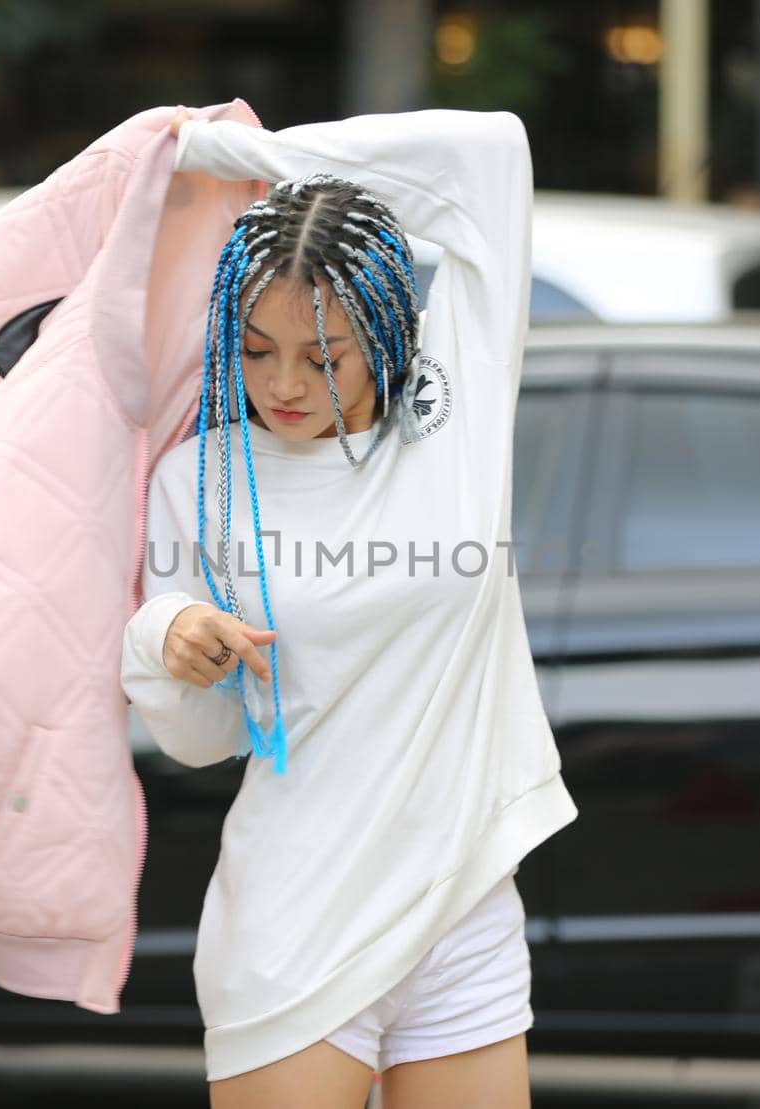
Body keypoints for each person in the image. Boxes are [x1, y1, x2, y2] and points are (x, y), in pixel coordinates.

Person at [119, 105, 578, 1108]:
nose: (284, 384)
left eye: (324, 356)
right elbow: (200, 743)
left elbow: (490, 149)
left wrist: (229, 151)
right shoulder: (201, 479)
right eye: (254, 349)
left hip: (463, 912)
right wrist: (170, 641)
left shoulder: (454, 422)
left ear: (383, 329)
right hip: (298, 922)